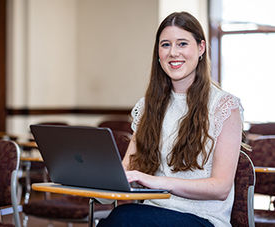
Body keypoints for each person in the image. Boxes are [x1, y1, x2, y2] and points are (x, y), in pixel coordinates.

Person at [98, 11, 243, 227]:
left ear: (201, 48)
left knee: (124, 219)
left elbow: (221, 188)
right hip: (150, 213)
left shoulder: (224, 106)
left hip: (203, 219)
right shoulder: (147, 106)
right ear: (158, 52)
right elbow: (126, 171)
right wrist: (97, 182)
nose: (173, 52)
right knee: (120, 217)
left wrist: (155, 181)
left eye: (182, 44)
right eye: (165, 45)